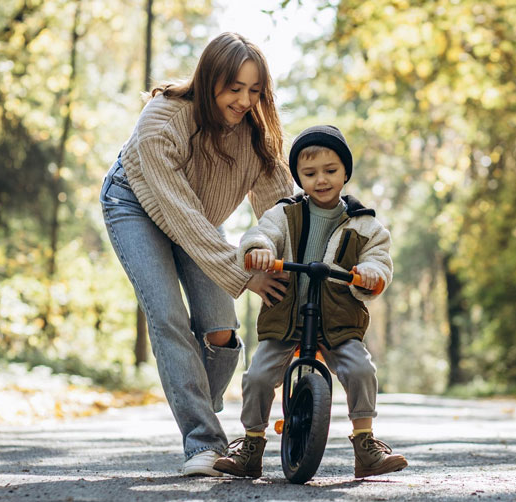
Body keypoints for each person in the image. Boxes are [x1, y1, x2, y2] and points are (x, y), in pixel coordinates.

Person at [99, 32, 292, 477]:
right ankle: (203, 441)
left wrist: (308, 268)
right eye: (234, 88)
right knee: (168, 317)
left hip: (198, 216)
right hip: (136, 205)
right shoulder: (162, 121)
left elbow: (282, 211)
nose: (245, 100)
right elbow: (178, 214)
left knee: (222, 331)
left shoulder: (257, 136)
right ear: (209, 81)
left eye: (255, 90)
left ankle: (197, 407)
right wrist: (244, 276)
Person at [213, 125, 408, 479]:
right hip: (287, 317)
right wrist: (258, 250)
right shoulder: (284, 214)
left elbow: (379, 258)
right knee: (257, 376)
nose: (321, 180)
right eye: (310, 173)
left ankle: (365, 444)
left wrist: (370, 273)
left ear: (345, 172)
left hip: (337, 320)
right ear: (299, 177)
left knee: (361, 370)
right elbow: (263, 234)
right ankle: (251, 445)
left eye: (330, 171)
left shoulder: (364, 224)